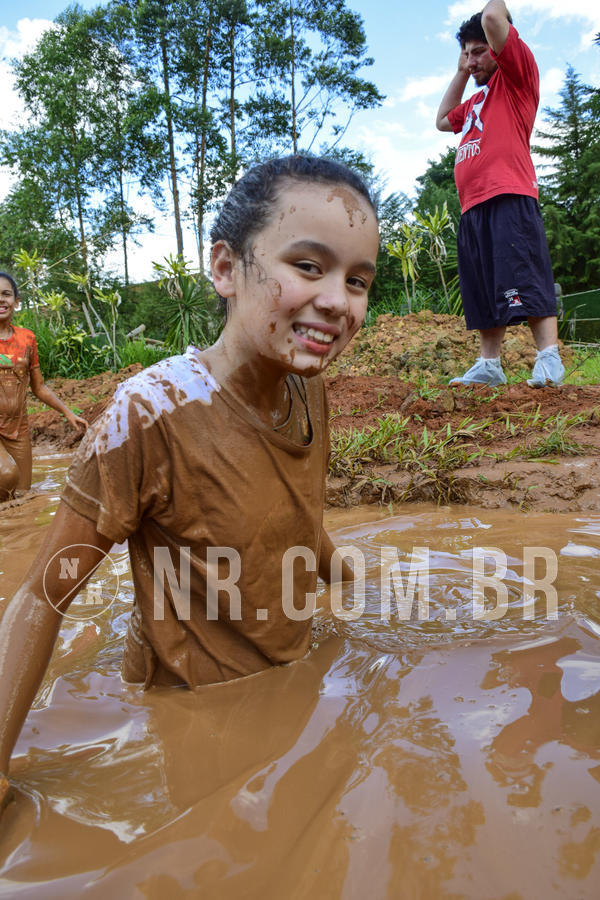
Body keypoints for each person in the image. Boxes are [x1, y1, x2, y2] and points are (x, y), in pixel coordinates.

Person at [0, 155, 380, 811]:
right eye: (309, 267)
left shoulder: (308, 392)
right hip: (196, 715)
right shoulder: (146, 416)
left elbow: (291, 519)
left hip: (292, 683)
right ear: (227, 269)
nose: (337, 301)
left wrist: (363, 592)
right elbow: (42, 594)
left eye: (359, 281)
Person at [436, 0, 565, 388]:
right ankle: (489, 365)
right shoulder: (475, 101)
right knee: (484, 287)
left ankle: (548, 358)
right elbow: (443, 120)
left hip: (509, 196)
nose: (472, 60)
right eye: (466, 53)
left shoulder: (517, 79)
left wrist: (495, 21)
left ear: (497, 47)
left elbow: (493, 16)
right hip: (472, 207)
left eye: (479, 52)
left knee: (525, 276)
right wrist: (462, 70)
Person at [0, 272, 88, 501]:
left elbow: (39, 388)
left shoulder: (27, 339)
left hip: (18, 430)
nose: (1, 300)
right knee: (6, 475)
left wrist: (68, 412)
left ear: (16, 302)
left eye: (6, 294)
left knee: (21, 496)